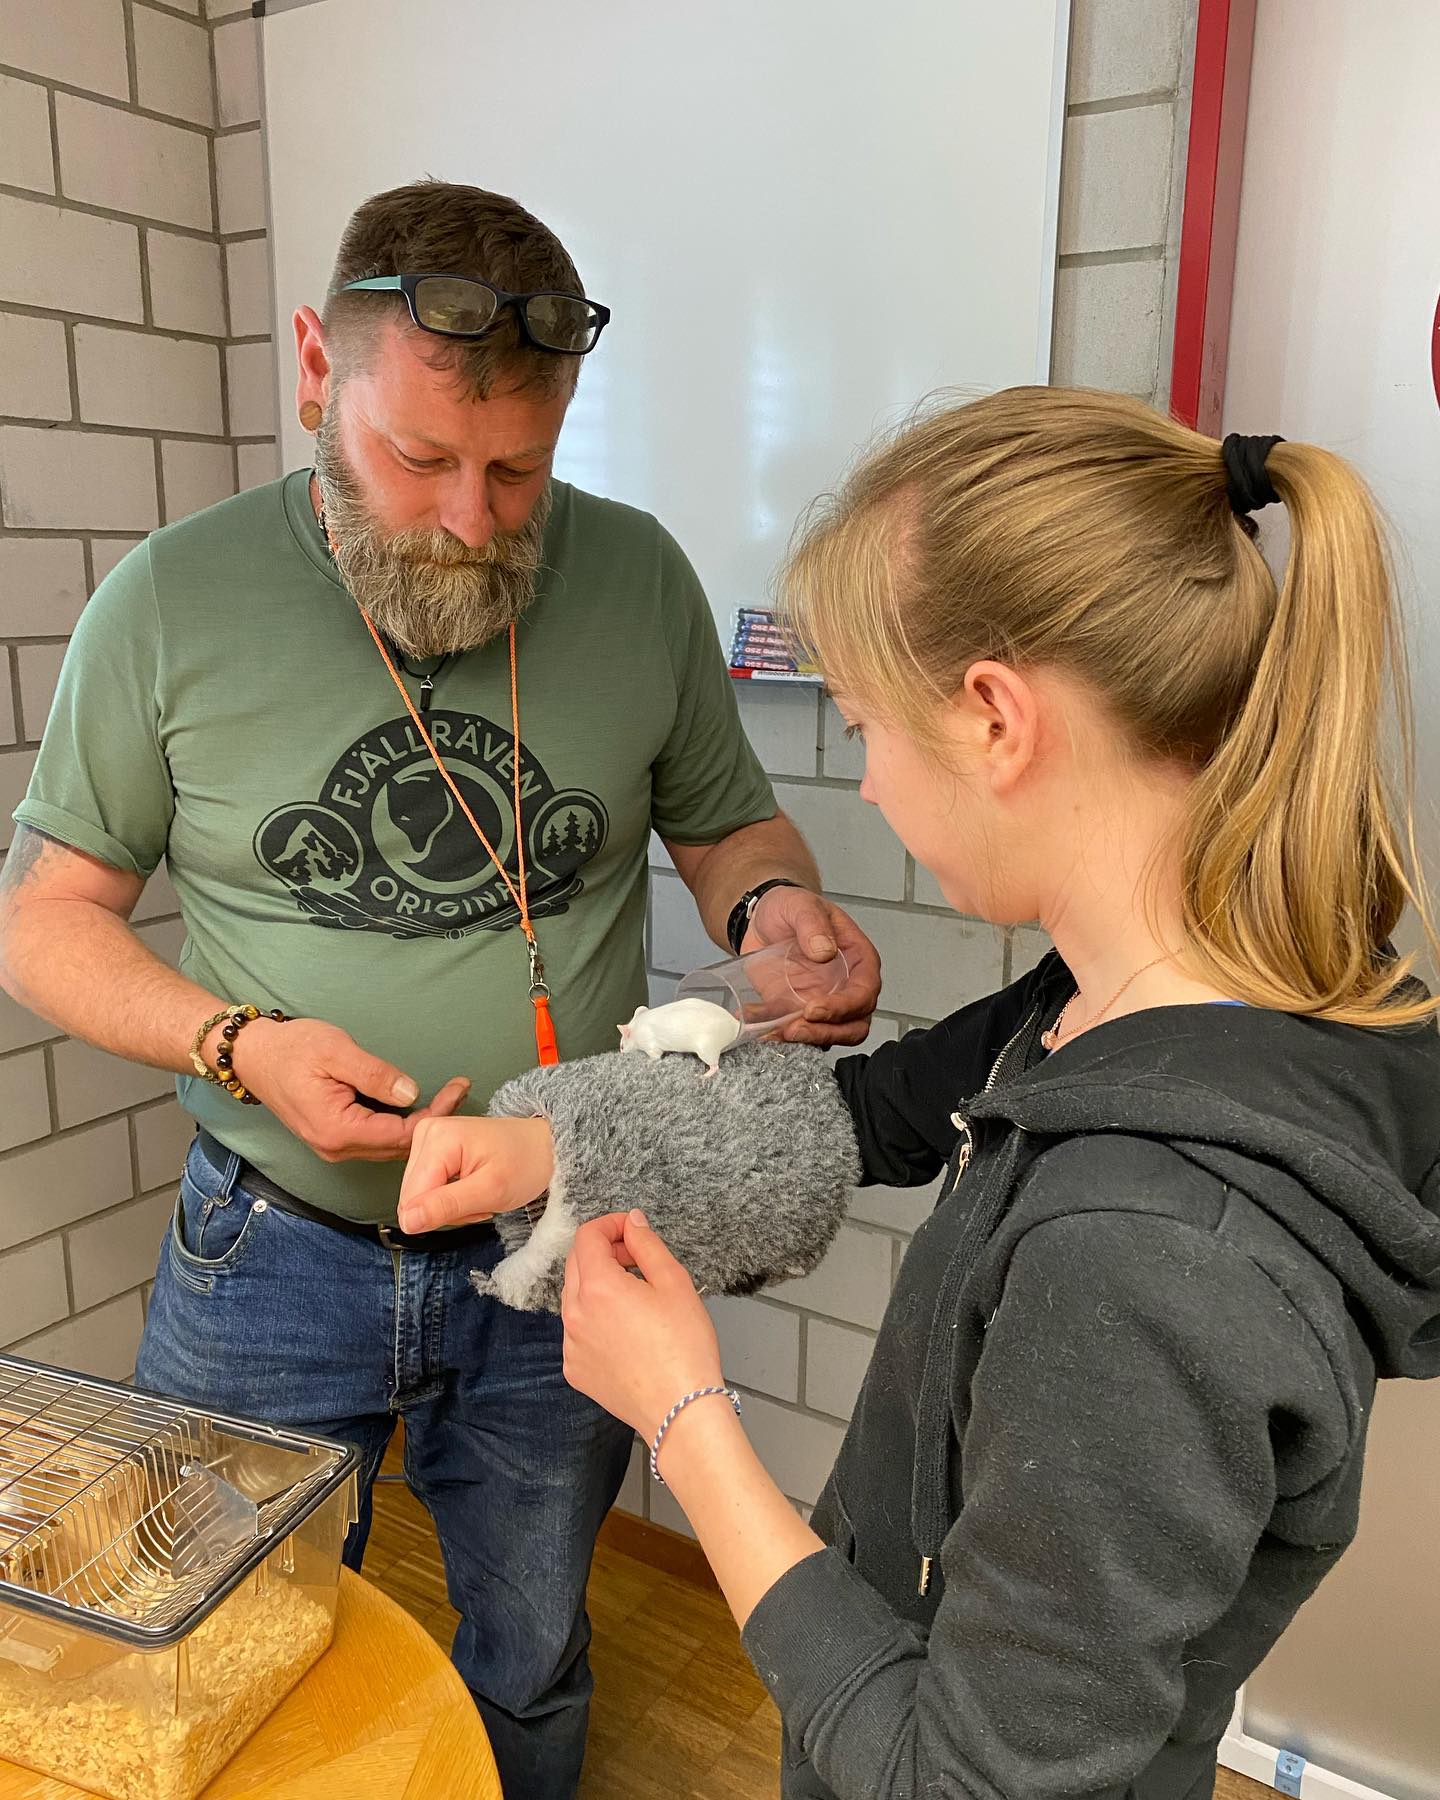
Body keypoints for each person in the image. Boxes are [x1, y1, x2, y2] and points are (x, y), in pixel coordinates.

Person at [396, 388, 1440, 1799]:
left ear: (998, 718)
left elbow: (960, 1779)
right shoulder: (1113, 1002)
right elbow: (863, 1118)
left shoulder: (1144, 1255)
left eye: (869, 723)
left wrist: (682, 1417)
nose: (869, 785)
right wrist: (550, 1151)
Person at [0, 179, 880, 1796]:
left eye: (517, 472)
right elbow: (45, 920)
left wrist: (778, 912)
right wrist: (232, 1039)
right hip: (271, 1247)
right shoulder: (172, 603)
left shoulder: (637, 580)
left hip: (559, 1246)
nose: (475, 522)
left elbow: (728, 824)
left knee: (532, 1653)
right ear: (313, 371)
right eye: (420, 463)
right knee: (205, 1648)